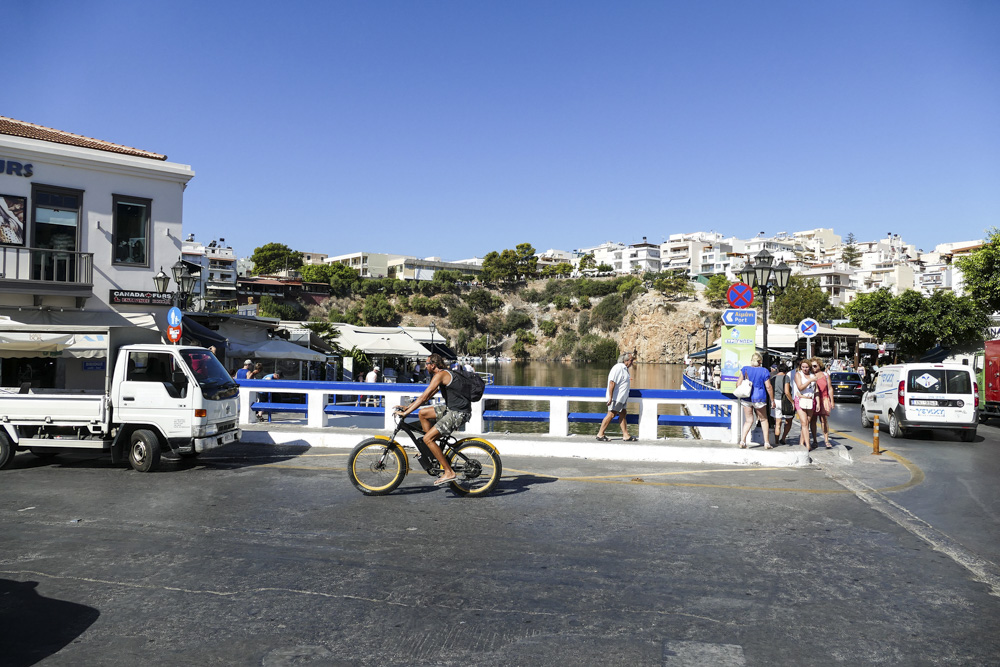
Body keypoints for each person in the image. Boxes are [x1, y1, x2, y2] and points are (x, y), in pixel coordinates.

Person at [395, 353, 472, 486]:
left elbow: (424, 398)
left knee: (427, 439)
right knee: (423, 413)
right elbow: (428, 395)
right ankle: (431, 451)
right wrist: (409, 407)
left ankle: (449, 472)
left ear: (433, 365)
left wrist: (406, 413)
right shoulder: (442, 374)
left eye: (427, 364)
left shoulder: (440, 375)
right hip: (451, 409)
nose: (425, 366)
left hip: (458, 413)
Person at [596, 352, 636, 442]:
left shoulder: (625, 369)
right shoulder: (618, 368)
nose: (632, 362)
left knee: (623, 413)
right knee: (611, 414)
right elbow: (612, 382)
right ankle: (600, 434)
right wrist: (610, 398)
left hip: (621, 398)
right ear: (625, 360)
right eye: (631, 360)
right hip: (616, 398)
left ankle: (626, 435)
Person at [738, 352, 774, 449]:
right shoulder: (764, 371)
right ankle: (766, 443)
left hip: (747, 397)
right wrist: (772, 400)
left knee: (748, 420)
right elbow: (768, 386)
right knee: (763, 419)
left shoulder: (745, 369)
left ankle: (742, 441)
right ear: (760, 361)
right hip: (759, 397)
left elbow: (738, 384)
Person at [792, 359, 817, 451]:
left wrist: (817, 401)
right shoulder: (798, 375)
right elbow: (800, 387)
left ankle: (801, 443)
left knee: (807, 423)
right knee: (804, 422)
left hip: (810, 400)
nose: (805, 369)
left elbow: (816, 389)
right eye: (803, 367)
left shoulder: (812, 376)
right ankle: (808, 445)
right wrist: (809, 380)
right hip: (800, 399)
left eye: (806, 367)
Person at [811, 358, 835, 449]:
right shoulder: (810, 375)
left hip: (824, 399)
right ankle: (814, 440)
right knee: (813, 420)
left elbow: (830, 388)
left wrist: (832, 400)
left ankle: (826, 440)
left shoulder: (825, 375)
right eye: (811, 366)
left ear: (819, 365)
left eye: (815, 366)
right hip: (813, 399)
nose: (813, 368)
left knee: (824, 420)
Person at [770, 362, 795, 445]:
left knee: (778, 422)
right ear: (786, 370)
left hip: (775, 401)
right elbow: (787, 392)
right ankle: (783, 438)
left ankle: (776, 441)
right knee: (788, 420)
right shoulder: (786, 377)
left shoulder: (773, 378)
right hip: (784, 402)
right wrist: (792, 402)